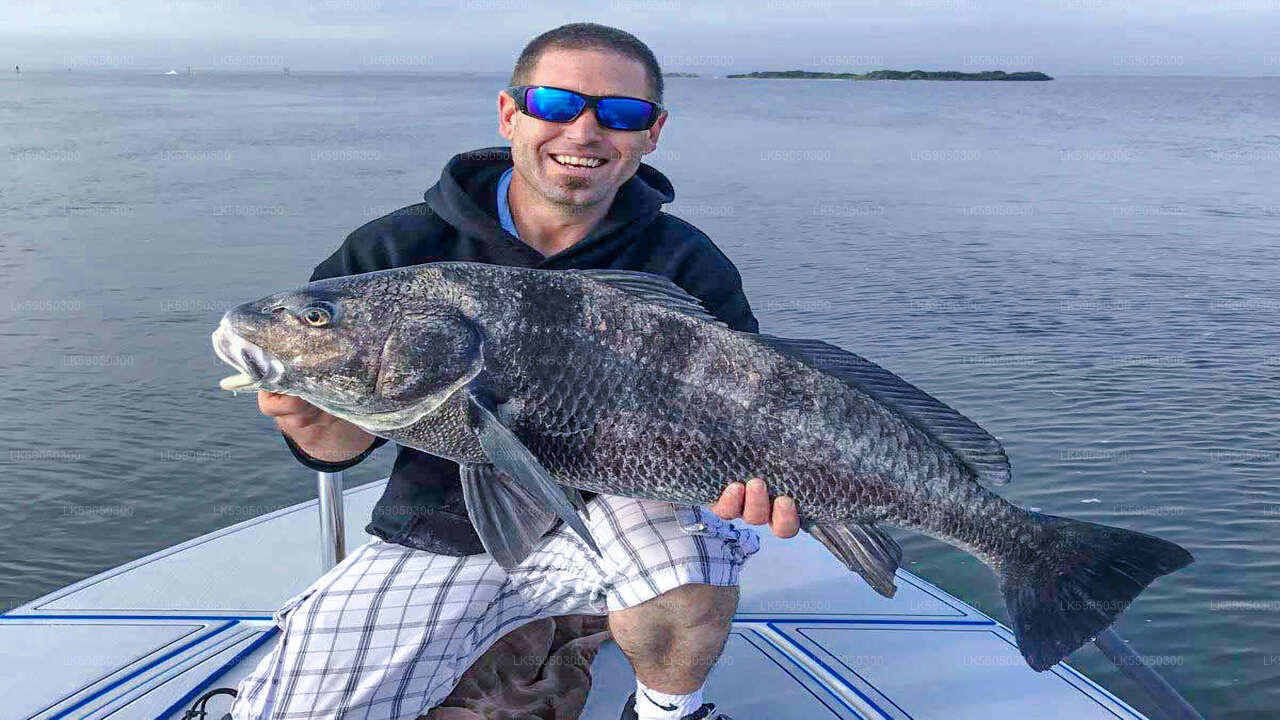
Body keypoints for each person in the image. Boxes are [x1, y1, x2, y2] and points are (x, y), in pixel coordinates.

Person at [230, 22, 798, 720]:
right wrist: (310, 423)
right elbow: (342, 447)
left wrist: (749, 487)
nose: (584, 132)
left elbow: (758, 410)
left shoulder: (686, 262)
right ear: (511, 113)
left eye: (620, 114)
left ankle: (667, 710)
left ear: (651, 133)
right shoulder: (393, 249)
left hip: (638, 505)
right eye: (557, 105)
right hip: (448, 517)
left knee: (696, 565)